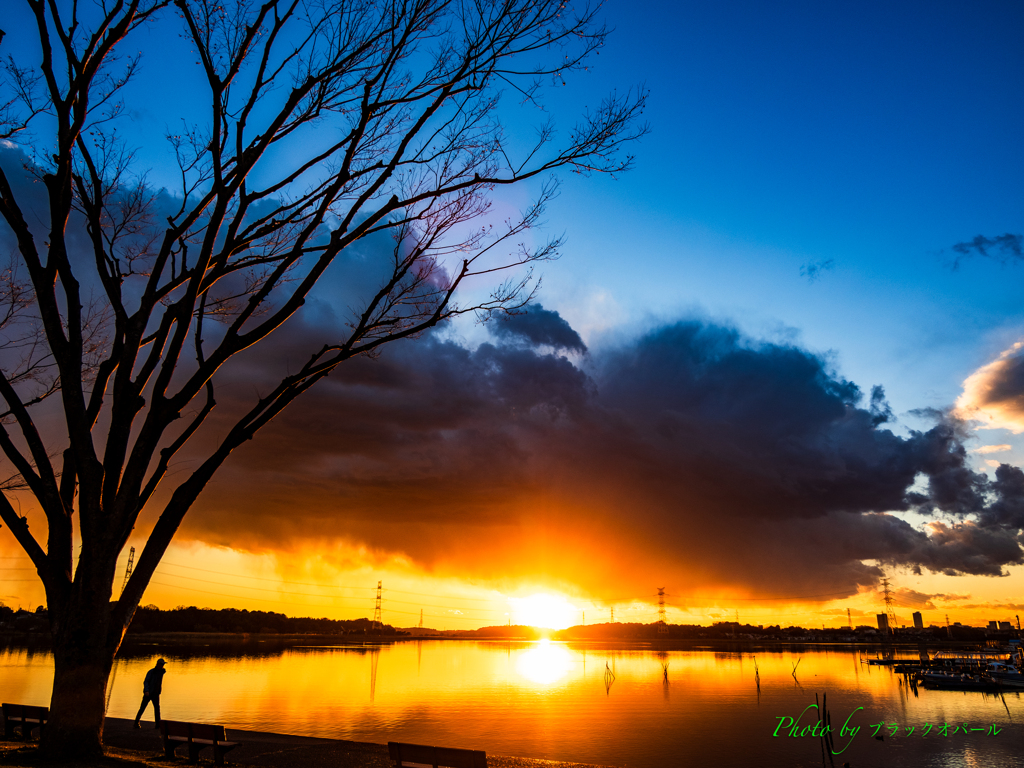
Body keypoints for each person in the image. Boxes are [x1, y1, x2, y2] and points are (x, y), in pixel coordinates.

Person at [133, 658, 166, 729]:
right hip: (148, 693)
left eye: (163, 664)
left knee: (157, 709)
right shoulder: (151, 672)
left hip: (156, 693)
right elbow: (146, 681)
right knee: (142, 708)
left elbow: (163, 672)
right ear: (158, 664)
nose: (163, 666)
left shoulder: (161, 672)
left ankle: (158, 724)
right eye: (161, 664)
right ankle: (136, 722)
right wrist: (146, 691)